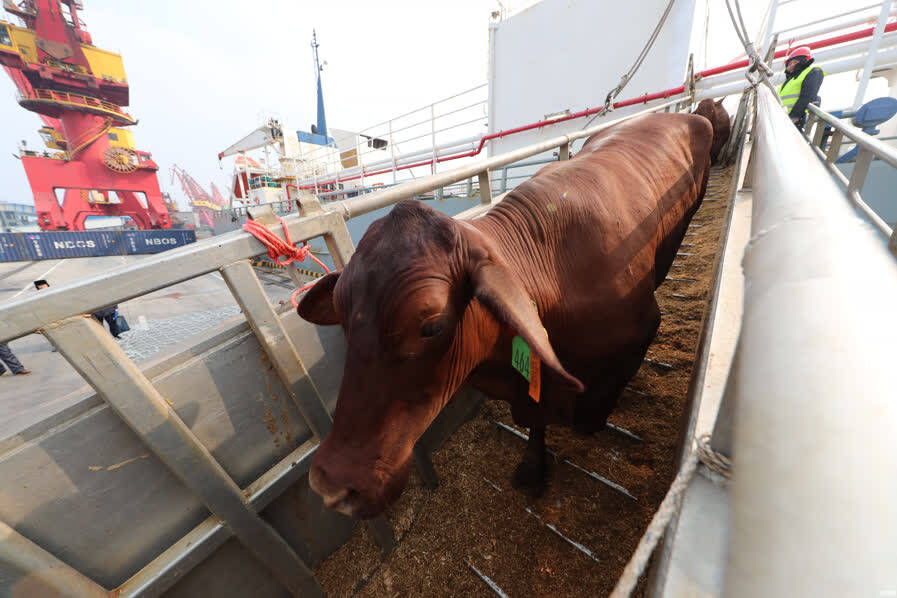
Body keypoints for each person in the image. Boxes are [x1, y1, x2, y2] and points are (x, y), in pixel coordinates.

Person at [778, 46, 825, 129]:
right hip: (779, 119)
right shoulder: (788, 81)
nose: (791, 65)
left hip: (792, 122)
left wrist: (794, 117)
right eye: (789, 64)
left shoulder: (813, 72)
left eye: (795, 62)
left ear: (804, 61)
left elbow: (807, 97)